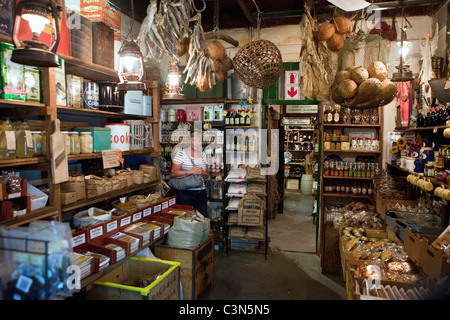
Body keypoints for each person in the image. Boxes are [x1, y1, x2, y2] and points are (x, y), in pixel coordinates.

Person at [171, 131, 209, 215]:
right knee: (185, 220)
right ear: (189, 141)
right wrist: (190, 171)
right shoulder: (181, 154)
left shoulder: (203, 154)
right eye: (194, 140)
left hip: (200, 192)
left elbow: (207, 175)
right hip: (185, 193)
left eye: (199, 141)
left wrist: (203, 172)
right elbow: (173, 173)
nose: (197, 143)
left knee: (201, 218)